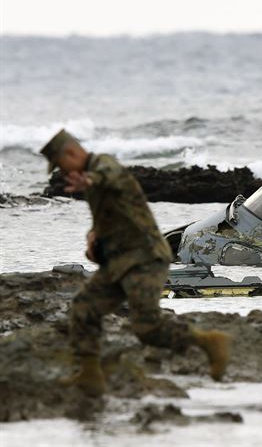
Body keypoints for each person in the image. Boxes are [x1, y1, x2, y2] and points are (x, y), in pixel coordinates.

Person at [40, 129, 231, 397]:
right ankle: (89, 376)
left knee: (147, 327)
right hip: (119, 262)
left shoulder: (104, 167)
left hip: (145, 259)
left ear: (71, 153)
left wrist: (90, 181)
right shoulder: (94, 184)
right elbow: (110, 215)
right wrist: (94, 239)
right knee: (84, 308)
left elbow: (112, 178)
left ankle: (208, 342)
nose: (62, 173)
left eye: (61, 166)